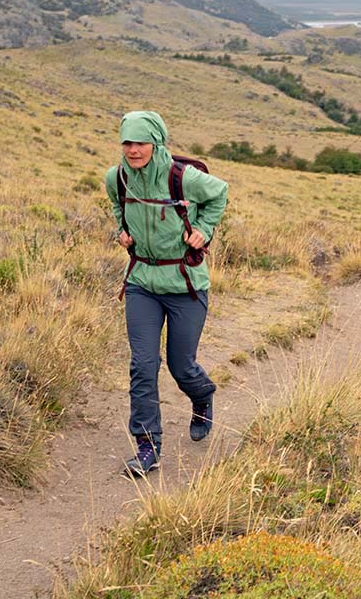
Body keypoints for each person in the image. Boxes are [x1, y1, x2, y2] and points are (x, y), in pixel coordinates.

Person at [105, 111, 229, 476]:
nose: (132, 150)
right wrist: (122, 229)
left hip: (185, 285)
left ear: (156, 142)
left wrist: (203, 229)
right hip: (142, 282)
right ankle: (147, 447)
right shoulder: (117, 178)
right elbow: (116, 204)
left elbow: (219, 193)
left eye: (140, 142)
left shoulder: (183, 178)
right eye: (127, 142)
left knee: (181, 366)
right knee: (143, 365)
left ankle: (202, 395)